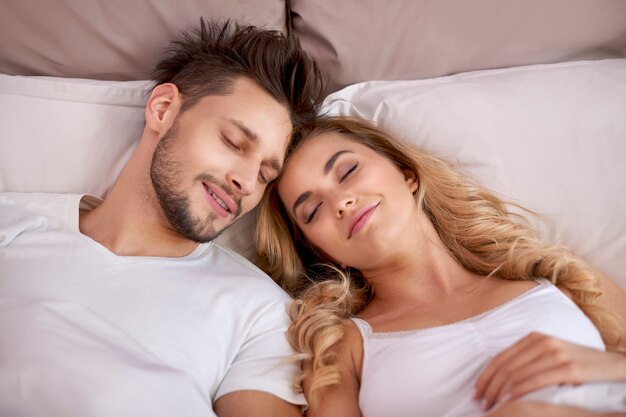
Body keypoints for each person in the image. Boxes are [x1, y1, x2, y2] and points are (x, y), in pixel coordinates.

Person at [0, 19, 324, 416]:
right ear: (163, 109)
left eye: (264, 175)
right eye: (233, 142)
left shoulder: (262, 313)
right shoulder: (12, 225)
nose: (245, 182)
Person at [255, 116, 626, 417]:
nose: (340, 201)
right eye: (313, 210)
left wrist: (613, 370)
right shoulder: (339, 348)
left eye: (348, 171)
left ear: (406, 173)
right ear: (324, 253)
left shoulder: (556, 273)